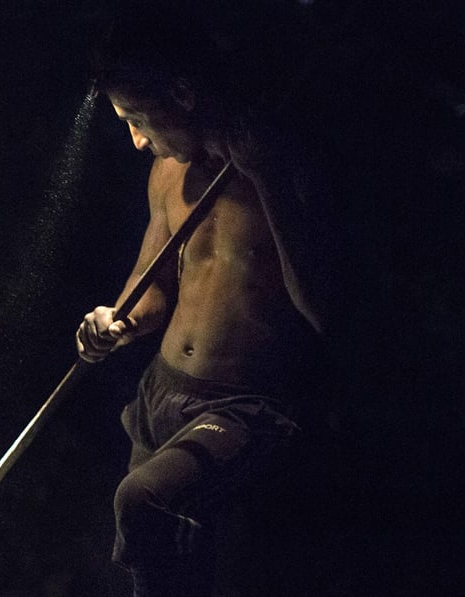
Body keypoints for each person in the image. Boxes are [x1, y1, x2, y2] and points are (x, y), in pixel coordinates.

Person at [76, 9, 342, 596]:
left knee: (141, 502)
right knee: (169, 561)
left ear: (184, 93)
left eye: (139, 118)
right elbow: (153, 282)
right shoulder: (167, 173)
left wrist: (268, 177)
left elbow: (325, 310)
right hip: (162, 390)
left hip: (242, 407)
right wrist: (115, 322)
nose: (136, 139)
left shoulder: (285, 169)